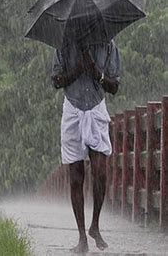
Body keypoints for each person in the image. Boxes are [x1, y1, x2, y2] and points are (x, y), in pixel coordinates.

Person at [52, 41, 121, 253]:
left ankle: (95, 225)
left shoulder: (108, 46)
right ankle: (82, 236)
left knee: (100, 172)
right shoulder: (63, 46)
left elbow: (115, 87)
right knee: (75, 177)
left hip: (96, 108)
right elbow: (56, 81)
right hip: (72, 109)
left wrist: (96, 72)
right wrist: (77, 70)